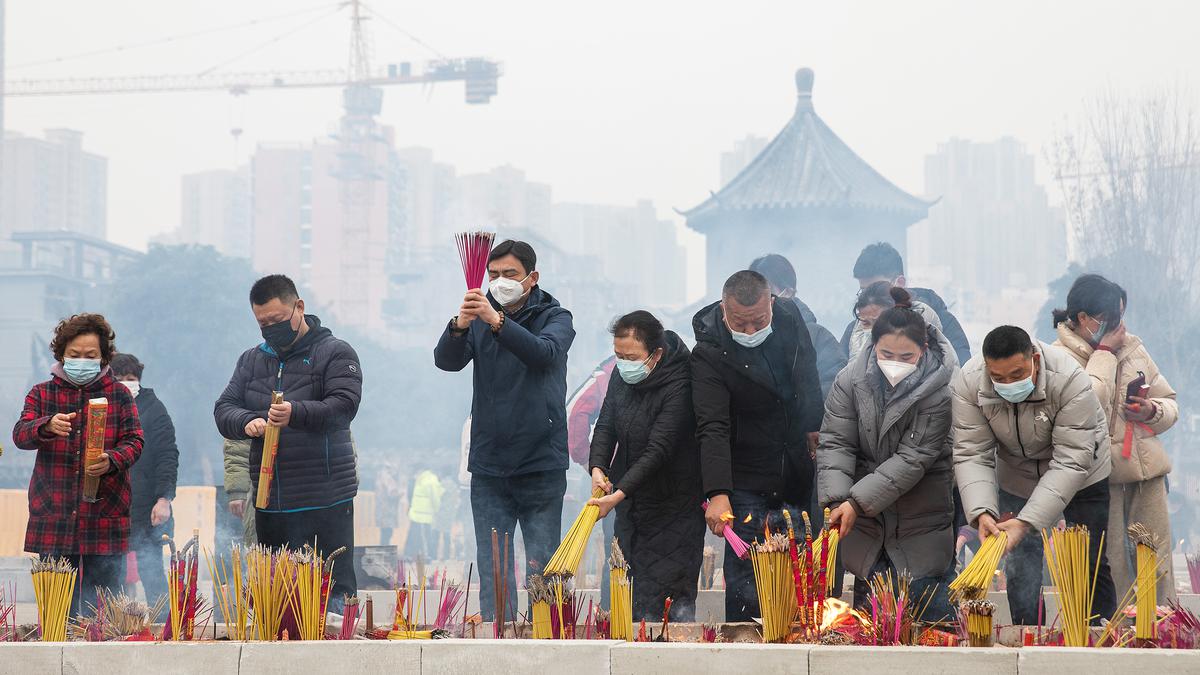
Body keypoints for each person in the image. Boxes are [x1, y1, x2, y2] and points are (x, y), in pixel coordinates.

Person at [434, 239, 575, 621]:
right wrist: (459, 326)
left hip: (540, 462)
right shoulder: (479, 317)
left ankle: (549, 638)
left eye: (509, 274)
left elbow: (542, 353)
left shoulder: (556, 317)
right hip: (490, 464)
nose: (499, 281)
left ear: (532, 277)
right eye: (493, 274)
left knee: (544, 564)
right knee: (493, 563)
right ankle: (499, 635)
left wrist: (497, 323)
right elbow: (446, 362)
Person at [214, 274, 362, 612]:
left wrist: (295, 412)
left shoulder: (335, 352)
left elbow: (344, 406)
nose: (271, 328)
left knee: (332, 595)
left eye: (278, 320)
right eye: (263, 323)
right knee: (277, 599)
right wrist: (246, 421)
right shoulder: (251, 360)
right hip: (271, 500)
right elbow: (224, 408)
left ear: (299, 307)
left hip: (325, 498)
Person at [952, 325, 1116, 625]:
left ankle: (1096, 639)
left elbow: (1070, 461)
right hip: (1017, 472)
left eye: (1017, 374)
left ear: (1035, 360)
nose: (1007, 383)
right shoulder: (969, 382)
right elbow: (972, 453)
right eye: (998, 378)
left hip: (1082, 473)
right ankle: (1029, 635)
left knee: (1088, 558)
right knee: (1021, 560)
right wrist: (982, 512)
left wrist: (1027, 521)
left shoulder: (1069, 379)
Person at [817, 287, 957, 621]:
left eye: (906, 357)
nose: (895, 363)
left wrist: (855, 502)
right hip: (866, 524)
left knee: (928, 618)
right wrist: (838, 500)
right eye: (886, 354)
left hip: (920, 518)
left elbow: (914, 458)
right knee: (872, 622)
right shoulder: (849, 381)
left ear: (923, 350)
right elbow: (836, 442)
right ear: (872, 345)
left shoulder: (940, 390)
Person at [692, 270, 824, 621]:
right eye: (740, 323)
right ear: (724, 310)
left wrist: (814, 424)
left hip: (794, 465)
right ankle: (743, 641)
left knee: (798, 574)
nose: (750, 331)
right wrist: (718, 491)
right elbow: (712, 425)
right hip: (744, 473)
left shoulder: (790, 317)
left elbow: (807, 372)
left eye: (758, 321)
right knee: (747, 576)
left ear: (772, 304)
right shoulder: (708, 351)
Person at [1051, 274, 1178, 600]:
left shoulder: (1134, 348)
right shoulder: (1058, 358)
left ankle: (1163, 632)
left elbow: (1170, 403)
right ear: (1083, 318)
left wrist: (1151, 410)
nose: (1120, 326)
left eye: (1122, 315)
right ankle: (1117, 638)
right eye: (1112, 317)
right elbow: (1089, 403)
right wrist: (1105, 352)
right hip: (1098, 481)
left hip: (1145, 474)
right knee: (1112, 567)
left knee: (1157, 562)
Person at [12, 314, 144, 613]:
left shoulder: (119, 395)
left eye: (90, 355)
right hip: (54, 515)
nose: (81, 361)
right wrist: (45, 426)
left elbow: (135, 441)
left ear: (103, 357)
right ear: (61, 354)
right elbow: (20, 434)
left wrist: (112, 460)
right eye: (74, 355)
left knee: (104, 611)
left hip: (104, 516)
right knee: (58, 612)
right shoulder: (42, 393)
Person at [587, 311, 705, 622]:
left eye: (631, 356)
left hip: (673, 506)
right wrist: (597, 467)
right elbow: (606, 425)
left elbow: (659, 449)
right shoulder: (621, 375)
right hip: (631, 505)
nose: (623, 363)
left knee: (666, 606)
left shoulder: (682, 381)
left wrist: (619, 493)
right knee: (625, 594)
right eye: (618, 355)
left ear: (656, 354)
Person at [111, 353, 179, 606]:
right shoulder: (102, 406)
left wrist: (164, 498)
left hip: (146, 507)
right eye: (118, 379)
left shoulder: (153, 408)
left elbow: (167, 456)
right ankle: (114, 628)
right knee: (111, 574)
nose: (126, 383)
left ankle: (163, 627)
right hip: (112, 508)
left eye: (130, 379)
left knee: (151, 572)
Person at [847, 242, 971, 366]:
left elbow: (959, 373)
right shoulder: (855, 330)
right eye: (864, 291)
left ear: (899, 283)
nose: (870, 298)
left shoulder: (941, 323)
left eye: (878, 288)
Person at [749, 254, 846, 398]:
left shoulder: (817, 338)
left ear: (788, 292)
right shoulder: (742, 335)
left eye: (764, 292)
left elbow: (836, 388)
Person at [842, 280, 943, 362]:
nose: (873, 329)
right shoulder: (855, 332)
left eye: (878, 321)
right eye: (866, 323)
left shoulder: (922, 321)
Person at [222, 439, 257, 544]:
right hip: (259, 490)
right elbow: (237, 445)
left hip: (305, 495)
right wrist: (238, 491)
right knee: (261, 554)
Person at [408, 466, 446, 560]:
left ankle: (422, 556)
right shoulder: (430, 479)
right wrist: (437, 509)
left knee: (420, 536)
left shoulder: (423, 479)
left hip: (419, 513)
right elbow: (435, 497)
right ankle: (428, 556)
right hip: (425, 515)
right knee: (425, 536)